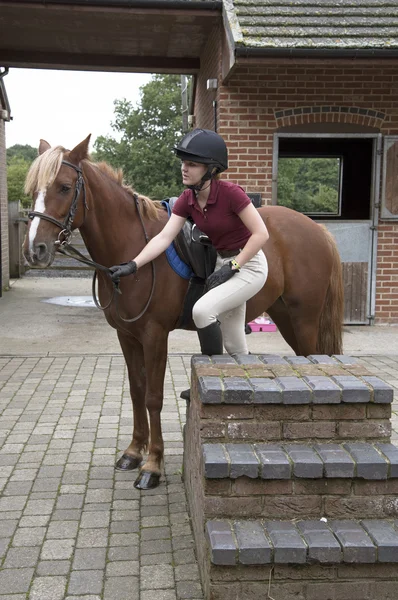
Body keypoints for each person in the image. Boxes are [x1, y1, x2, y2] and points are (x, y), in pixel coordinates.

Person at [109, 129, 269, 398]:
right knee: (234, 344)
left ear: (211, 169)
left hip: (249, 264)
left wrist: (234, 266)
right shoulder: (188, 199)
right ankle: (257, 395)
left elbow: (261, 234)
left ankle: (209, 380)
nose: (184, 168)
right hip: (224, 264)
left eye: (192, 164)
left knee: (202, 310)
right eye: (183, 162)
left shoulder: (231, 194)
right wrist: (133, 265)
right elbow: (164, 237)